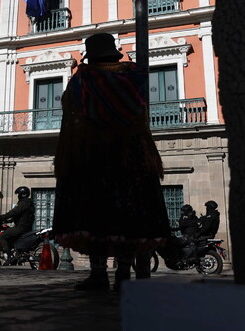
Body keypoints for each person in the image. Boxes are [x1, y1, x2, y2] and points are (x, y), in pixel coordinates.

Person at [53, 33, 171, 291]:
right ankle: (123, 275)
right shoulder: (134, 78)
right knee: (128, 220)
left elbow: (73, 115)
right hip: (132, 158)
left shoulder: (82, 80)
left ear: (91, 55)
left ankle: (98, 275)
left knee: (95, 218)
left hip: (93, 158)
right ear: (114, 52)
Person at [0, 186, 35, 263]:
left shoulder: (23, 203)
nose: (18, 196)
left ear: (22, 194)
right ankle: (15, 253)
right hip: (27, 228)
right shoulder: (29, 204)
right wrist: (9, 220)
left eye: (19, 194)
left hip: (20, 228)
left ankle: (10, 256)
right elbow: (19, 215)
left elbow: (13, 212)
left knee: (2, 236)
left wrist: (1, 217)